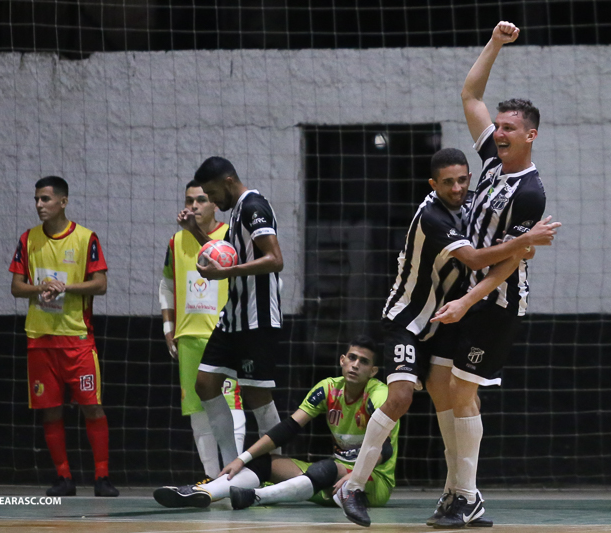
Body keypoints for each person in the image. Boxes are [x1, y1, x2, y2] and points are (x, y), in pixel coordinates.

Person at [337, 148, 560, 527]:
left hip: (445, 319)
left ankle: (460, 494)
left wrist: (523, 244)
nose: (457, 188)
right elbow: (475, 259)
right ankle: (353, 486)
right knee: (402, 396)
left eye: (463, 180)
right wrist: (527, 241)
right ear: (433, 185)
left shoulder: (473, 203)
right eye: (448, 182)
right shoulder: (432, 214)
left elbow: (507, 246)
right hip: (407, 318)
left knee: (453, 398)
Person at [424, 21, 552, 529]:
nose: (498, 133)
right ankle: (457, 491)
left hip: (495, 300)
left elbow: (513, 260)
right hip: (462, 292)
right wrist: (496, 44)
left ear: (530, 136)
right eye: (497, 126)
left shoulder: (530, 191)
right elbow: (469, 92)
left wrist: (466, 301)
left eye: (509, 128)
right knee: (438, 384)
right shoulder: (492, 164)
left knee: (459, 390)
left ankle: (467, 495)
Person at [152, 336, 399, 511]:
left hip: (371, 480)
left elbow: (385, 449)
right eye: (352, 358)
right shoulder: (328, 389)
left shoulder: (378, 394)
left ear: (373, 371)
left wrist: (356, 475)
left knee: (327, 468)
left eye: (363, 362)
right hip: (333, 476)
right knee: (264, 463)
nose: (356, 365)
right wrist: (243, 458)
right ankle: (202, 492)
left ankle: (257, 496)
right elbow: (287, 429)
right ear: (342, 360)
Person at [171, 156, 284, 487]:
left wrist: (228, 273)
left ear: (229, 181)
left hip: (257, 318)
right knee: (205, 383)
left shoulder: (253, 206)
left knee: (256, 396)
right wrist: (194, 231)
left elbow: (275, 260)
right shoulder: (235, 214)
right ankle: (228, 471)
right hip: (232, 317)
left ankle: (275, 471)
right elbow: (226, 258)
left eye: (211, 192)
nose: (212, 201)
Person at [9, 176, 118, 497]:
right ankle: (63, 478)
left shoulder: (86, 238)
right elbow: (16, 288)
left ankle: (102, 478)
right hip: (40, 339)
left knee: (92, 406)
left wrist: (66, 287)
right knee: (50, 410)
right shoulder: (28, 239)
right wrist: (40, 287)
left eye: (45, 199)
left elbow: (101, 284)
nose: (40, 205)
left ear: (63, 202)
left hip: (77, 339)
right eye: (37, 200)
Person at [158, 180, 246, 480]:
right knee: (198, 414)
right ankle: (212, 479)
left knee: (232, 408)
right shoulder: (175, 241)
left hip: (223, 336)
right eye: (189, 200)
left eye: (200, 200)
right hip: (189, 339)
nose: (193, 206)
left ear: (214, 205)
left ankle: (235, 477)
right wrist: (169, 329)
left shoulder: (228, 236)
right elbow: (167, 285)